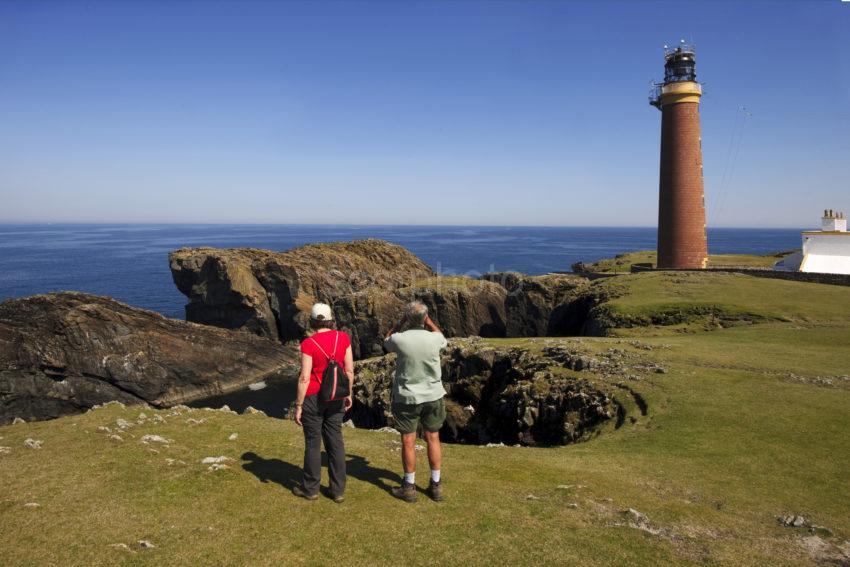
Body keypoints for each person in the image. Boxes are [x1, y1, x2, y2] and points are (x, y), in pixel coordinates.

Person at [383, 301, 448, 503]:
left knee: (408, 441)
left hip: (407, 396)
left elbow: (386, 339)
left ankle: (409, 487)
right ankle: (436, 485)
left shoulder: (400, 339)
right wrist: (429, 322)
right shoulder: (435, 339)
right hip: (433, 395)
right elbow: (442, 336)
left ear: (408, 319)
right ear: (425, 319)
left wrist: (401, 321)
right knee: (433, 438)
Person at [292, 302, 354, 503]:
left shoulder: (308, 344)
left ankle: (310, 488)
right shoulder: (343, 338)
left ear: (312, 321)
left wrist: (299, 405)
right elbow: (349, 370)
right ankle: (338, 490)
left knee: (313, 443)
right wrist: (348, 394)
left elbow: (304, 377)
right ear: (330, 319)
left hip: (313, 398)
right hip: (336, 397)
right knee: (335, 441)